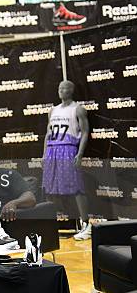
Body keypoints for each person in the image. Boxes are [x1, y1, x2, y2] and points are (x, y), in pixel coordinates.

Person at [42, 80, 90, 240]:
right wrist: (44, 154)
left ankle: (86, 224)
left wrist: (80, 153)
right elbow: (48, 134)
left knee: (76, 186)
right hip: (52, 149)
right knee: (49, 188)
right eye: (60, 87)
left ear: (72, 90)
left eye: (66, 87)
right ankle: (50, 224)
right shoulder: (52, 110)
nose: (62, 90)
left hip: (68, 148)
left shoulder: (78, 109)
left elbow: (85, 132)